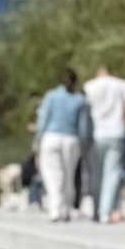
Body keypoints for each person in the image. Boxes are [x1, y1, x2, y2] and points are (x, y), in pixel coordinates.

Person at [35, 68, 92, 222]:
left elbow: (43, 119)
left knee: (53, 174)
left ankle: (55, 209)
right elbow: (83, 125)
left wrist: (37, 140)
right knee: (68, 176)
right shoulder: (80, 100)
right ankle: (66, 209)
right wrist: (85, 142)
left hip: (51, 137)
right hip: (71, 139)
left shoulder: (51, 97)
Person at [83, 64, 125, 223]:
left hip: (97, 135)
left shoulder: (89, 86)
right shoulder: (122, 84)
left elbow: (85, 112)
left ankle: (97, 210)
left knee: (96, 174)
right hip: (116, 133)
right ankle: (106, 211)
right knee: (112, 174)